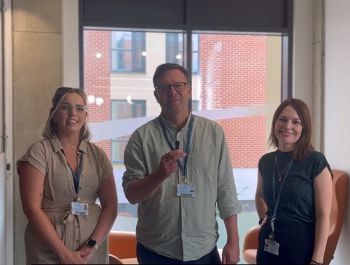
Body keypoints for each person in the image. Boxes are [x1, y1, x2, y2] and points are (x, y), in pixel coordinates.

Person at [122, 63, 241, 264]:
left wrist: (234, 240)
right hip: (157, 250)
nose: (172, 91)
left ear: (189, 89)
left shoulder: (213, 133)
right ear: (156, 94)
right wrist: (159, 174)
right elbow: (132, 195)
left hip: (203, 249)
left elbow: (226, 189)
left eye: (178, 85)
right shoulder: (140, 138)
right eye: (165, 87)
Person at [17, 87, 118, 264]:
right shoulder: (39, 153)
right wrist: (64, 253)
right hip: (48, 250)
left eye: (80, 108)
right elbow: (31, 208)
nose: (73, 113)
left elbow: (111, 205)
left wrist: (92, 246)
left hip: (91, 253)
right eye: (65, 107)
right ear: (54, 115)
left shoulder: (98, 155)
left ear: (86, 116)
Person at [255, 98, 333, 265]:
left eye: (296, 122)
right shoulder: (266, 161)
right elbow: (260, 194)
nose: (287, 126)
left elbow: (324, 216)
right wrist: (264, 219)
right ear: (275, 122)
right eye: (282, 119)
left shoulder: (315, 162)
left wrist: (317, 260)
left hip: (301, 248)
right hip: (268, 244)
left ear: (304, 128)